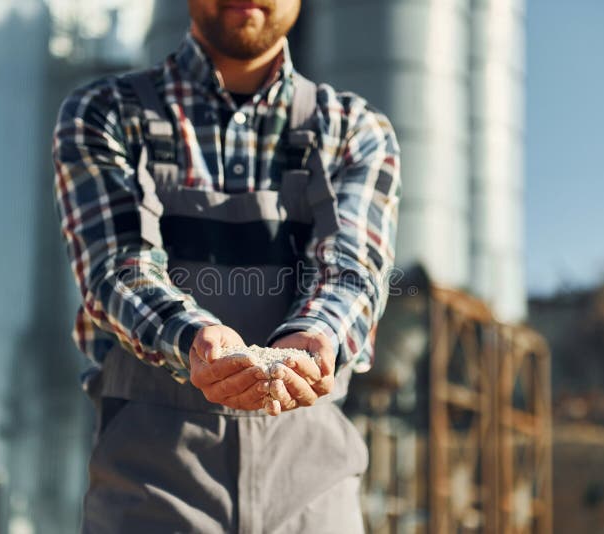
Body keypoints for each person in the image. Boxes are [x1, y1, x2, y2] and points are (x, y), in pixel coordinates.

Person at [52, 1, 400, 532]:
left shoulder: (354, 131)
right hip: (152, 501)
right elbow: (118, 268)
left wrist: (315, 336)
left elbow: (351, 270)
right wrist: (196, 340)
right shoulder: (107, 113)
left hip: (313, 502)